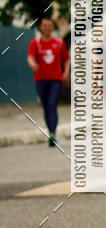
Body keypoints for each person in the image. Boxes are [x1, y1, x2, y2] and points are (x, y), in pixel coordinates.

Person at [27, 17, 70, 147]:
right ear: (41, 28)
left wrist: (66, 73)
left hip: (55, 79)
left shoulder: (59, 43)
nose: (47, 28)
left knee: (52, 104)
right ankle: (50, 132)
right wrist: (32, 64)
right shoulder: (35, 43)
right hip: (40, 79)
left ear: (52, 28)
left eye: (49, 26)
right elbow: (30, 57)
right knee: (46, 107)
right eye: (44, 26)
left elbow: (66, 60)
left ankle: (53, 134)